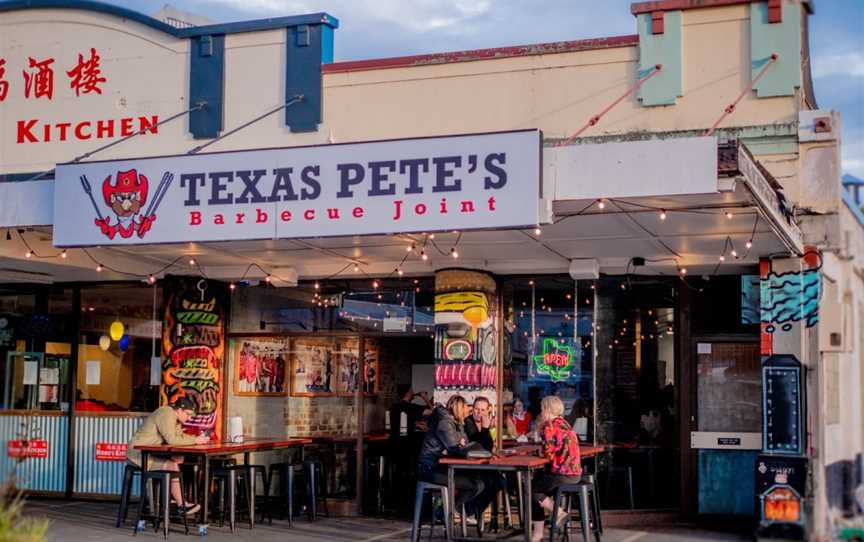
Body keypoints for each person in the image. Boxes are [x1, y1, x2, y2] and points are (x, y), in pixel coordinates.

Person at [125, 397, 209, 516]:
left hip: (150, 454)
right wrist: (196, 440)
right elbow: (172, 439)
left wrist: (199, 440)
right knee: (172, 465)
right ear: (179, 410)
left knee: (176, 461)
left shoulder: (176, 420)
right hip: (138, 456)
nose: (189, 418)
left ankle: (170, 501)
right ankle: (180, 505)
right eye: (188, 414)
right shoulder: (166, 413)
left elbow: (180, 437)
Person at [417, 395, 485, 515]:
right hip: (430, 469)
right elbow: (455, 448)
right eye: (465, 410)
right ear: (459, 410)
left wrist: (461, 445)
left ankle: (451, 510)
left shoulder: (455, 423)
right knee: (475, 484)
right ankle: (448, 511)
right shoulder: (444, 423)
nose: (467, 413)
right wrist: (460, 446)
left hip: (440, 468)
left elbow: (464, 444)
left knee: (479, 482)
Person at [530, 395, 583, 541]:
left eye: (542, 408)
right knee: (538, 482)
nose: (541, 411)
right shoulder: (565, 424)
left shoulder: (550, 426)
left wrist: (538, 451)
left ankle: (557, 513)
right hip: (575, 475)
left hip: (562, 474)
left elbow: (548, 453)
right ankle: (539, 531)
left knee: (532, 489)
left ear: (547, 410)